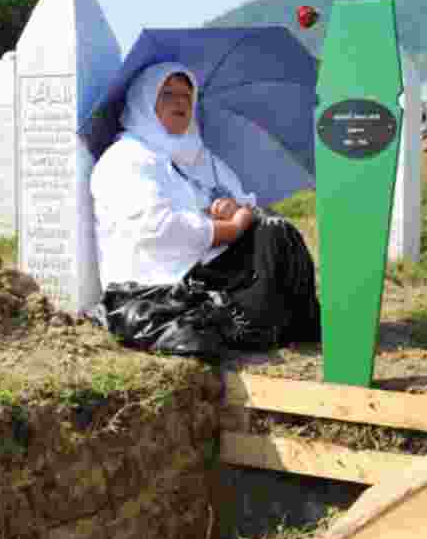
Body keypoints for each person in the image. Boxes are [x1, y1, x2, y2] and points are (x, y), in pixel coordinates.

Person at [90, 61, 320, 350]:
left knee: (276, 233)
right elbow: (157, 229)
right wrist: (229, 227)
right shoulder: (127, 159)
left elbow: (248, 205)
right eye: (168, 94)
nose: (180, 103)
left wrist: (235, 209)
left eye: (186, 96)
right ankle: (250, 327)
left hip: (204, 265)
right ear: (144, 101)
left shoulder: (200, 156)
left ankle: (278, 326)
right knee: (270, 235)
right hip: (156, 280)